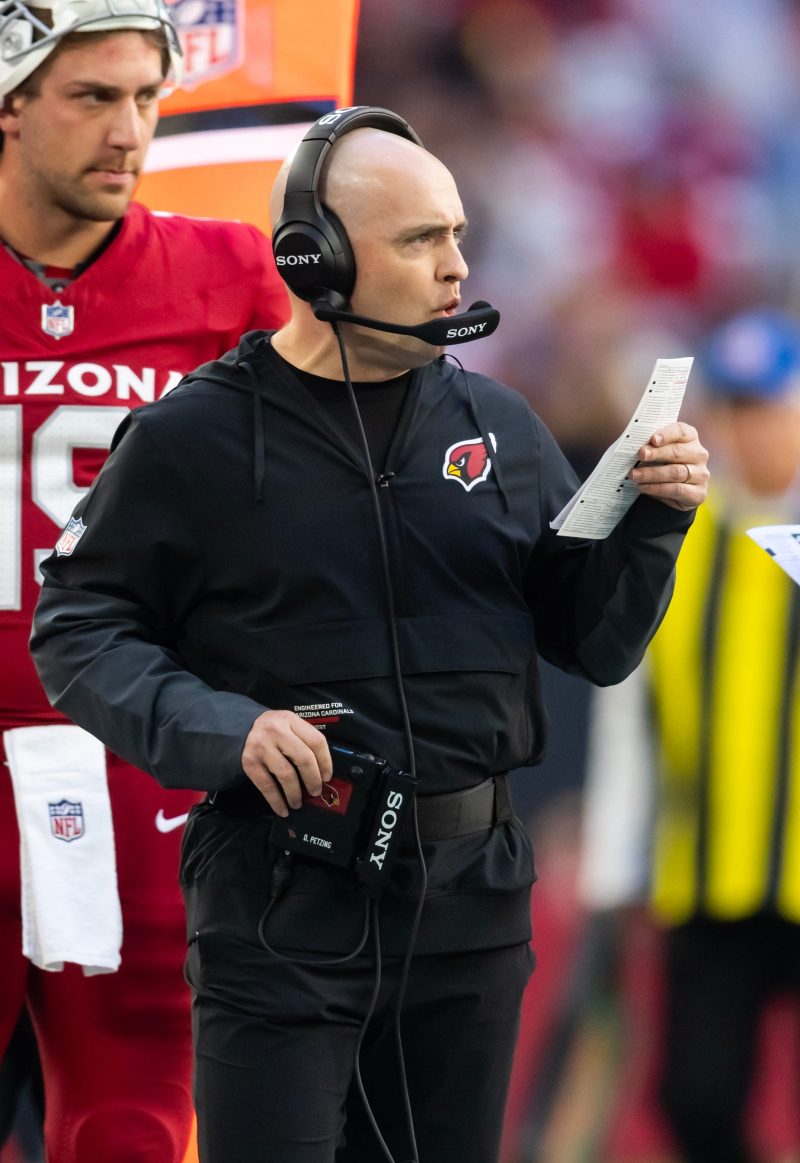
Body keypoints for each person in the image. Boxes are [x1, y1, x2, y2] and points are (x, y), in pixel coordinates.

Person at [29, 104, 709, 1163]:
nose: (457, 266)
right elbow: (77, 626)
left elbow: (593, 644)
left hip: (472, 906)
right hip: (279, 898)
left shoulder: (500, 424)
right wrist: (221, 727)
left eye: (457, 233)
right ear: (318, 258)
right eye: (422, 238)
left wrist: (652, 525)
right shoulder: (191, 434)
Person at [0, 0, 288, 1157]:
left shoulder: (231, 275)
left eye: (145, 98)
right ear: (10, 102)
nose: (129, 130)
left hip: (130, 767)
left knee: (131, 1125)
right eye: (92, 96)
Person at [579, 307, 800, 1163]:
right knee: (692, 1096)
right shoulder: (681, 538)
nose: (754, 430)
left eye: (769, 408)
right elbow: (628, 713)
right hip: (706, 871)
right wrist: (613, 867)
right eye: (738, 409)